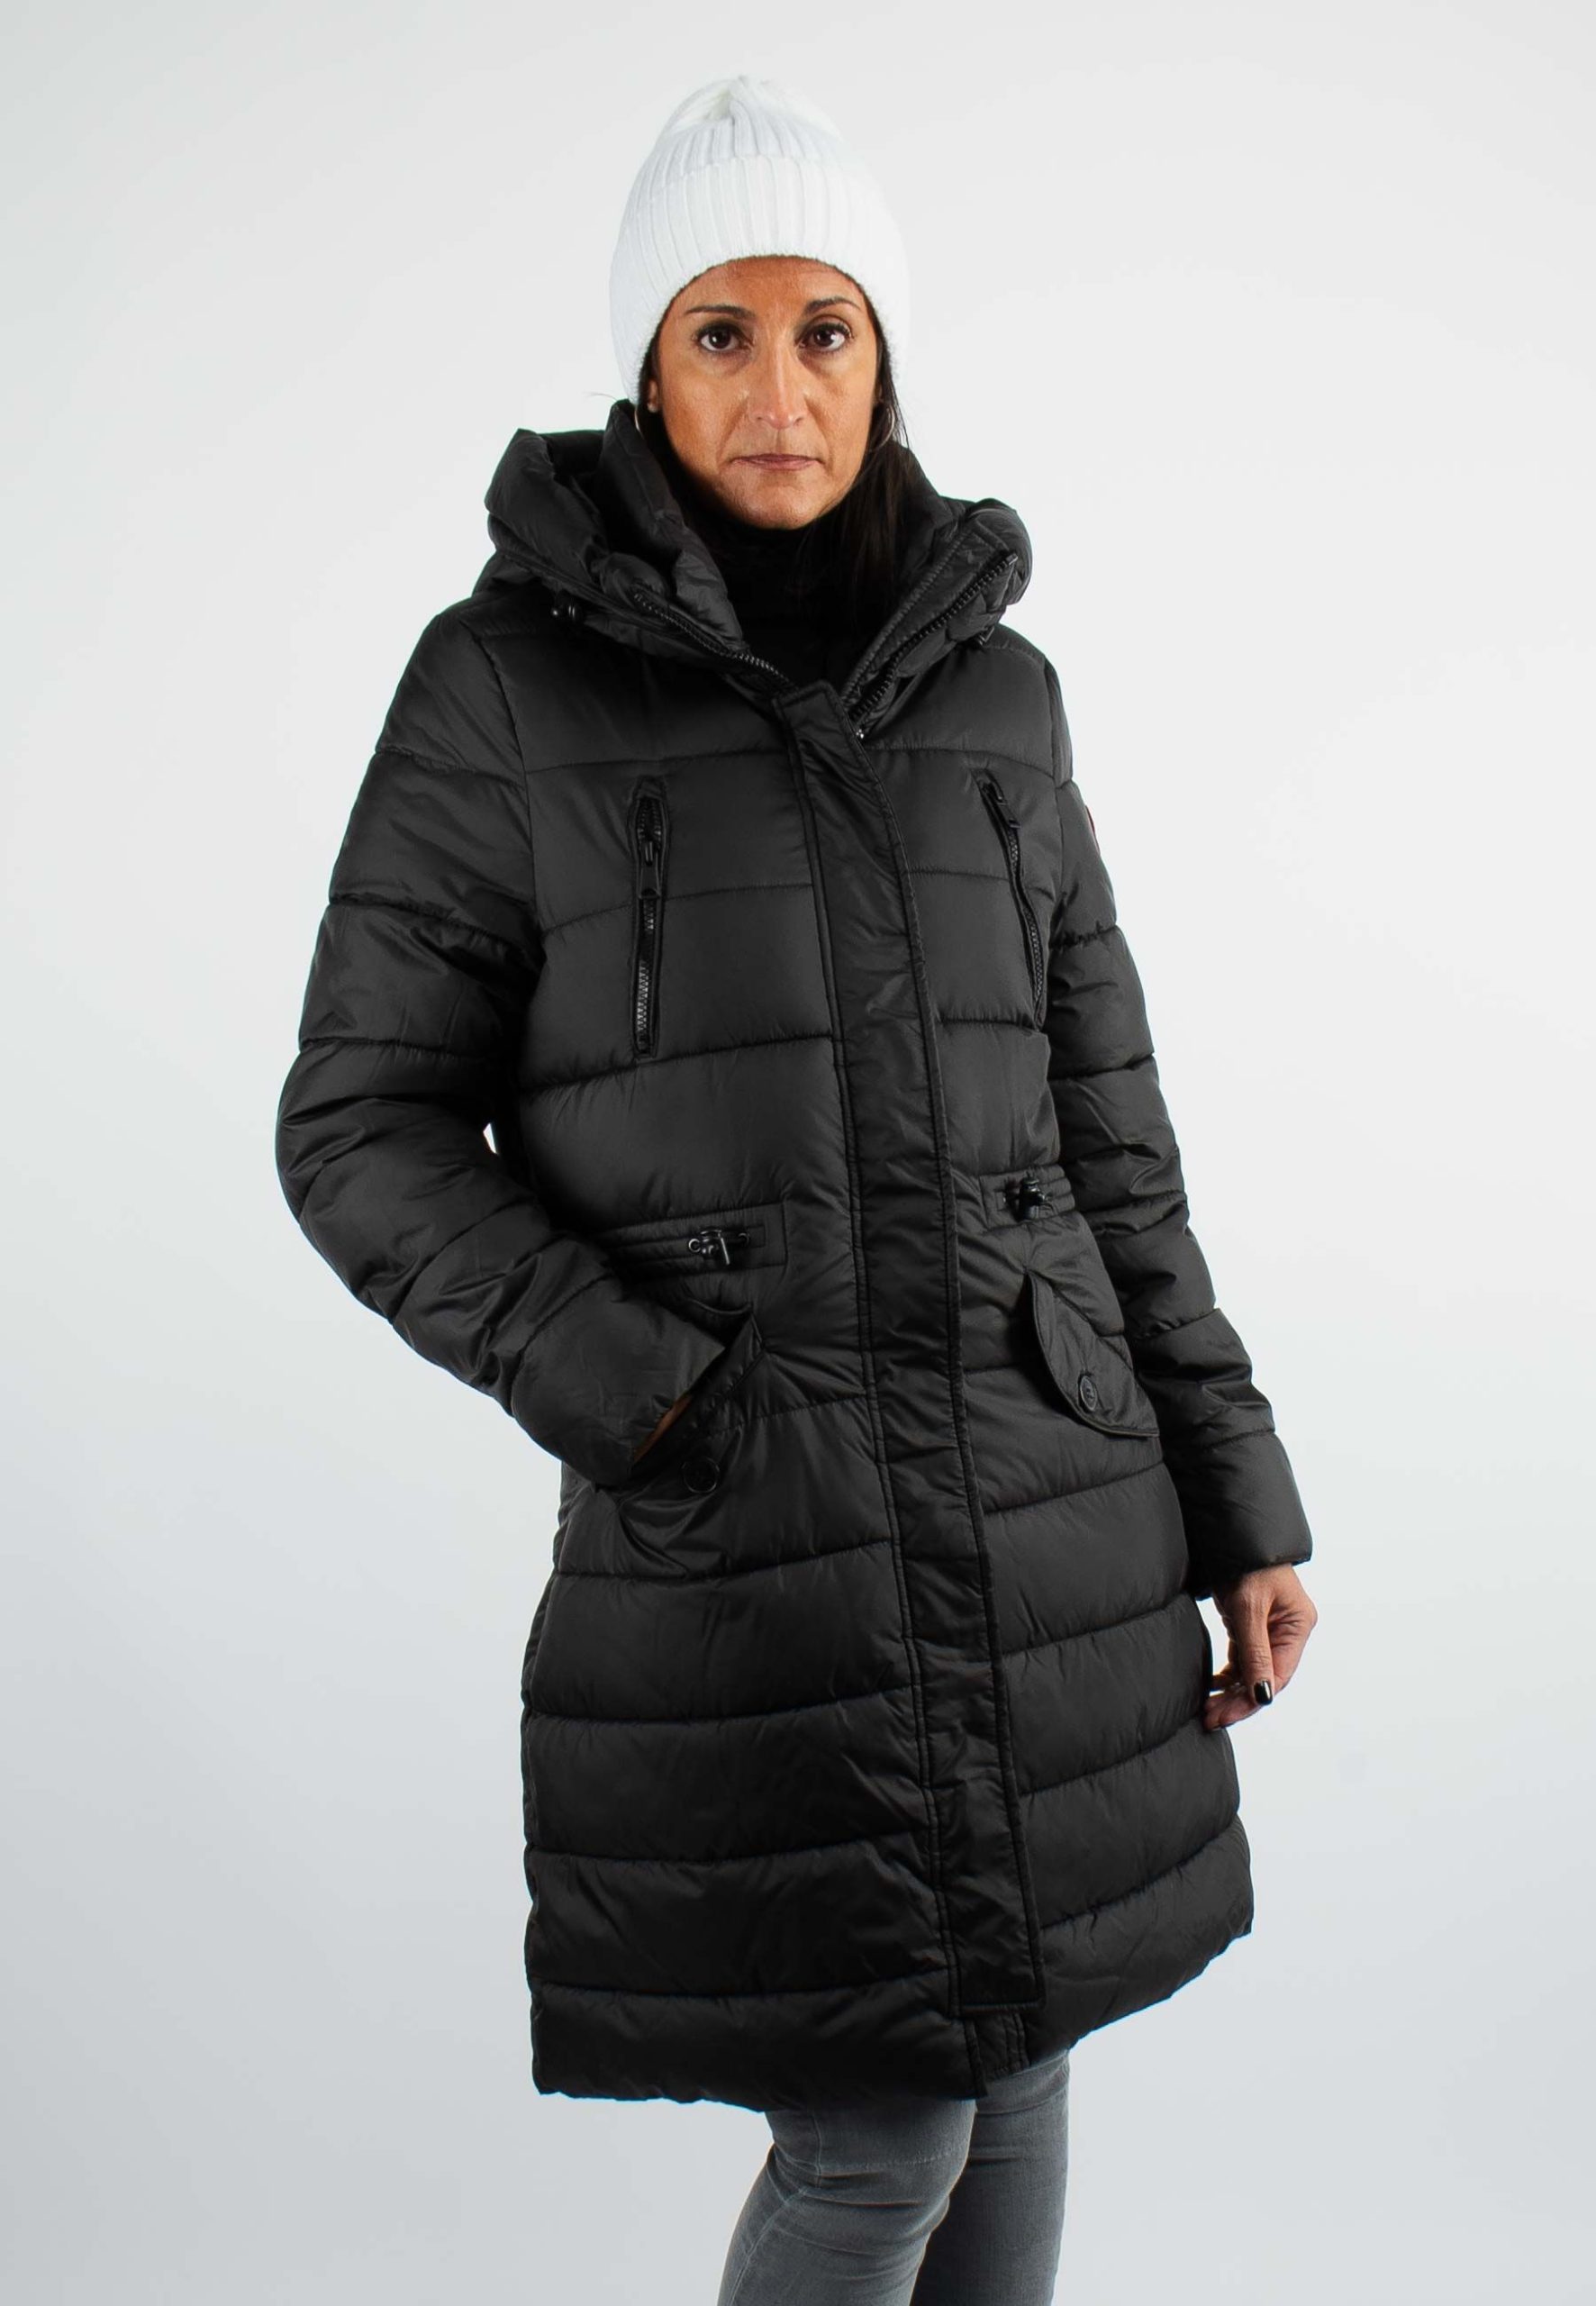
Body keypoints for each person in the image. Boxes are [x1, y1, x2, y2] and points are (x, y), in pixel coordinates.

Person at [274, 72, 1319, 2306]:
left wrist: (1236, 1491)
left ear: (884, 354)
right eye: (720, 333)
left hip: (1046, 1510)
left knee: (1016, 2068)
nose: (778, 387)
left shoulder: (1000, 700)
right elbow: (357, 1124)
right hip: (763, 1538)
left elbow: (1110, 1133)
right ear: (647, 371)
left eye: (824, 329)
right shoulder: (504, 690)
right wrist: (654, 1394)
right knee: (879, 2122)